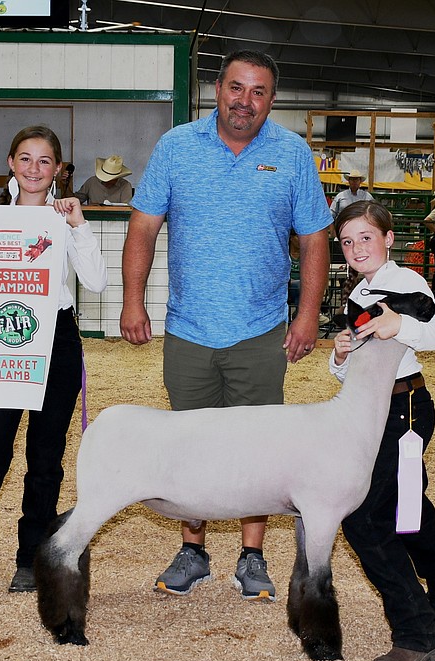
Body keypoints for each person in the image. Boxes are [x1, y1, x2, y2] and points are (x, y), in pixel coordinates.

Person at [120, 50, 331, 601]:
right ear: (218, 89)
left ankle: (253, 555)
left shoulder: (292, 153)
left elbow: (314, 239)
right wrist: (132, 301)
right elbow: (142, 228)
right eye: (236, 88)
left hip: (261, 330)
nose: (245, 101)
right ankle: (193, 549)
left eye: (258, 92)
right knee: (190, 445)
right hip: (189, 328)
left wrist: (307, 315)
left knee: (258, 450)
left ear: (271, 100)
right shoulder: (176, 147)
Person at [0, 125, 107, 597]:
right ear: (10, 163)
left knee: (46, 455)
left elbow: (94, 282)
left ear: (58, 169)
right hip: (2, 339)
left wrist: (78, 224)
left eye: (45, 161)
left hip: (56, 337)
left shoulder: (63, 217)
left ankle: (32, 557)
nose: (35, 169)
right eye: (26, 159)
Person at [330, 200, 435, 661]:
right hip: (373, 410)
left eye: (365, 237)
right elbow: (350, 368)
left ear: (388, 239)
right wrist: (342, 353)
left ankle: (416, 633)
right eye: (347, 241)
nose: (356, 248)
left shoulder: (406, 283)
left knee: (364, 520)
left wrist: (402, 325)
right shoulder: (360, 290)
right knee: (408, 511)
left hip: (404, 411)